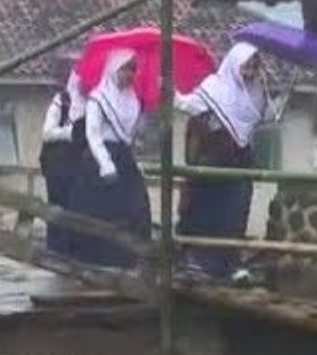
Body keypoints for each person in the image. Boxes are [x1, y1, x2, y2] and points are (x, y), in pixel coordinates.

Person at [173, 41, 273, 281]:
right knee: (205, 213)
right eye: (245, 67)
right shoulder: (213, 87)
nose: (249, 73)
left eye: (253, 68)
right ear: (234, 65)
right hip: (212, 161)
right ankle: (197, 262)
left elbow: (267, 117)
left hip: (240, 162)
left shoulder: (257, 91)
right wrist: (171, 92)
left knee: (235, 214)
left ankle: (229, 265)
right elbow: (188, 105)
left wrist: (269, 91)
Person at [66, 48, 152, 268]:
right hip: (99, 160)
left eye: (133, 69)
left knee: (135, 208)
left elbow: (132, 134)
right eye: (125, 69)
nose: (130, 74)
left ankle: (128, 260)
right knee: (98, 211)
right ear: (114, 69)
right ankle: (93, 261)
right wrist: (105, 163)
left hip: (124, 158)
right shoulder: (98, 98)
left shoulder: (132, 100)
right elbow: (92, 134)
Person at [38, 56, 78, 254]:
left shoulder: (88, 101)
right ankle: (55, 247)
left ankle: (71, 247)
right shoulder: (60, 101)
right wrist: (70, 133)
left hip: (76, 163)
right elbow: (47, 133)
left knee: (75, 204)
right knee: (57, 204)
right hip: (57, 163)